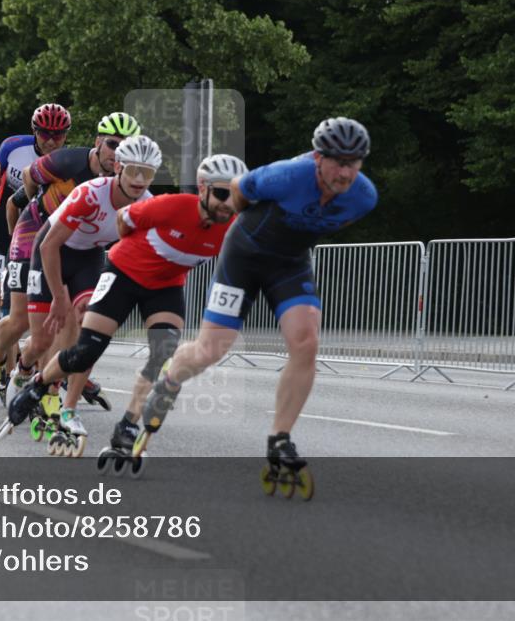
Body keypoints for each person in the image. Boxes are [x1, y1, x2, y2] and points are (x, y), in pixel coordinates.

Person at [138, 117, 378, 500]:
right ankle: (169, 381)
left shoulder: (363, 197)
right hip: (244, 255)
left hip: (289, 264)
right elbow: (238, 190)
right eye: (337, 161)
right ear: (318, 157)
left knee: (306, 342)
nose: (345, 171)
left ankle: (280, 439)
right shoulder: (286, 176)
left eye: (354, 162)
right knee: (211, 349)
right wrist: (252, 222)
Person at [11, 154, 246, 465]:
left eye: (236, 195)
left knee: (162, 351)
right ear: (202, 189)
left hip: (166, 285)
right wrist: (137, 251)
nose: (227, 203)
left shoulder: (234, 229)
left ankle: (128, 425)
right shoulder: (170, 205)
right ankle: (39, 384)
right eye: (220, 194)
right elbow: (124, 221)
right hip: (124, 273)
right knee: (86, 351)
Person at [0, 134, 161, 452]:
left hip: (89, 257)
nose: (139, 180)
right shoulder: (91, 193)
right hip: (51, 250)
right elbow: (48, 244)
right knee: (41, 338)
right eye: (133, 170)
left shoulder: (146, 205)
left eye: (148, 173)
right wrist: (58, 296)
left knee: (86, 324)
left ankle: (60, 400)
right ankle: (24, 368)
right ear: (119, 168)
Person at [0, 112, 142, 413]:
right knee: (21, 321)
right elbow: (26, 178)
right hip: (34, 234)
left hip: (80, 246)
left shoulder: (128, 182)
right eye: (112, 145)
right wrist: (32, 201)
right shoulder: (67, 161)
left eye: (126, 148)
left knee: (74, 317)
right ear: (98, 142)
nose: (118, 154)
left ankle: (48, 386)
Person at [0, 104, 71, 413]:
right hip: (1, 220)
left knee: (26, 308)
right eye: (45, 134)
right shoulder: (12, 147)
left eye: (58, 135)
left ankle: (19, 366)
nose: (51, 140)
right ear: (35, 131)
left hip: (33, 228)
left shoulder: (64, 162)